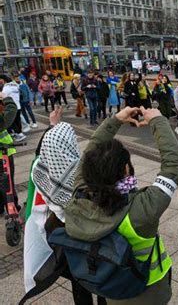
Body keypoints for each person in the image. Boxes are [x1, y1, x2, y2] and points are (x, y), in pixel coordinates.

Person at [64, 106, 178, 304]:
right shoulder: (141, 210)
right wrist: (158, 120)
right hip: (148, 291)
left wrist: (115, 120)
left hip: (110, 285)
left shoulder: (79, 193)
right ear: (126, 169)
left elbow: (91, 151)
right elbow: (174, 166)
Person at [22, 108, 105, 305]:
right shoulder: (84, 173)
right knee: (102, 278)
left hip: (66, 239)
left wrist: (53, 126)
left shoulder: (40, 168)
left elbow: (42, 151)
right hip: (93, 241)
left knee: (79, 281)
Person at [0, 91, 20, 214]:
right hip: (3, 153)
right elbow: (10, 113)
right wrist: (6, 98)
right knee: (7, 183)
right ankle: (12, 208)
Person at [2, 75, 27, 142]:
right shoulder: (15, 86)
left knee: (12, 122)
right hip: (17, 106)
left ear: (4, 80)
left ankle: (18, 134)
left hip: (11, 107)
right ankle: (19, 133)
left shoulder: (6, 88)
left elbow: (3, 96)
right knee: (17, 121)